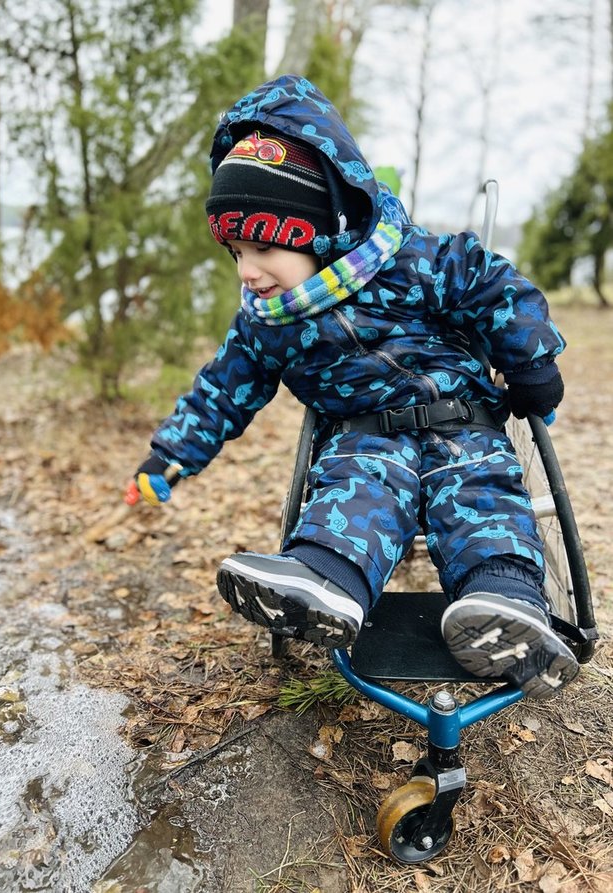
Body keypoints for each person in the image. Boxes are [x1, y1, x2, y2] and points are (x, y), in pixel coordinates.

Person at [131, 74, 578, 700]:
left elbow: (495, 286)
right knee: (354, 494)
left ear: (322, 230)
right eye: (234, 252)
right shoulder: (268, 324)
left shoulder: (413, 261)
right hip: (363, 437)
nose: (249, 272)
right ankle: (325, 582)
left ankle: (505, 605)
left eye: (262, 248)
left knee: (480, 499)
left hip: (463, 421)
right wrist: (173, 452)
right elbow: (223, 388)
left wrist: (532, 365)